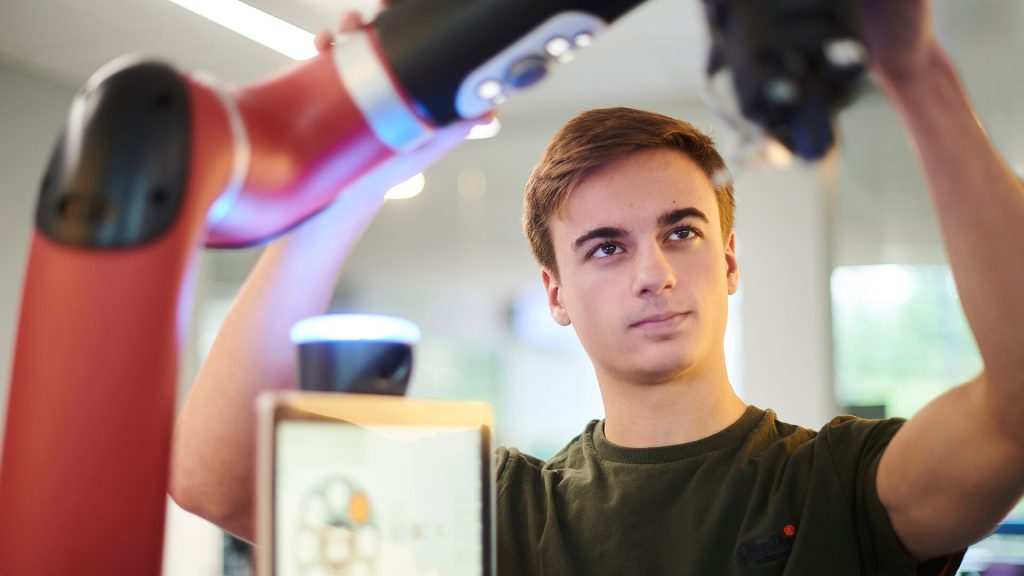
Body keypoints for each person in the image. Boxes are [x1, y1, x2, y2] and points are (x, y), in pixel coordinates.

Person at [170, 1, 1024, 574]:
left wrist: (915, 73)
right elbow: (220, 477)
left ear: (728, 261)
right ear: (556, 295)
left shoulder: (834, 484)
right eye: (607, 248)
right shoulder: (502, 512)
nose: (654, 272)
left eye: (681, 232)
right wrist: (361, 164)